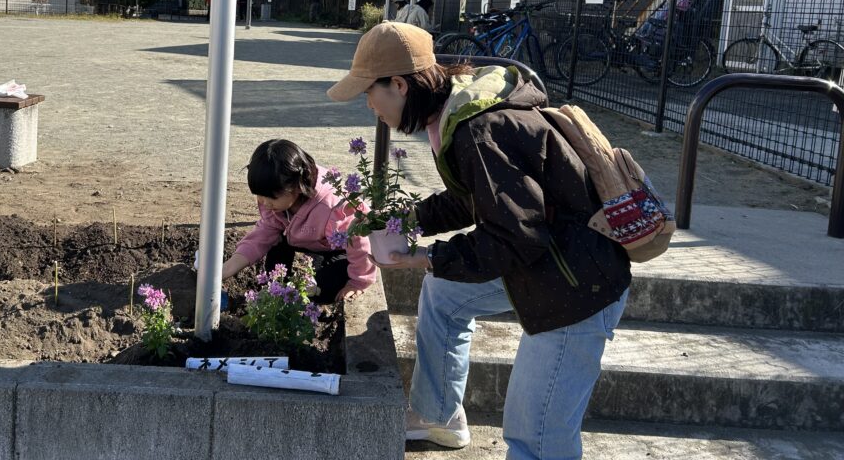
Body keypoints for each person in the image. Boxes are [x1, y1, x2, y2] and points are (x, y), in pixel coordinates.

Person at [327, 23, 630, 458]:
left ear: (398, 85)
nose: (370, 107)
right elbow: (476, 199)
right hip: (550, 262)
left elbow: (515, 237)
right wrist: (407, 220)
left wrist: (428, 256)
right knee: (447, 295)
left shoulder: (477, 129)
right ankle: (439, 416)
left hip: (574, 288)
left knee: (536, 438)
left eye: (368, 93)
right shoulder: (459, 111)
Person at [221, 139, 376, 303]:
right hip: (302, 236)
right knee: (275, 244)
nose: (264, 202)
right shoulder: (275, 202)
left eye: (271, 197)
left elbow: (359, 241)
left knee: (322, 288)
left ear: (296, 187)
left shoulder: (330, 207)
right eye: (259, 195)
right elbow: (262, 235)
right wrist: (226, 269)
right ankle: (278, 290)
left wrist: (358, 282)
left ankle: (303, 297)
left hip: (338, 249)